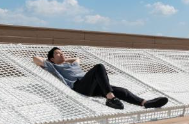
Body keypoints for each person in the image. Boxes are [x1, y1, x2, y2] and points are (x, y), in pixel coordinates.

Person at [34, 47, 168, 110]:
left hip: (92, 85)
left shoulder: (71, 64)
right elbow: (35, 59)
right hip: (79, 86)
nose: (61, 54)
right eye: (58, 53)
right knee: (99, 67)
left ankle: (145, 103)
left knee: (122, 90)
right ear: (51, 58)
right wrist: (52, 62)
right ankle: (110, 98)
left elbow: (77, 59)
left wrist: (64, 59)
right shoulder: (53, 66)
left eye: (62, 52)